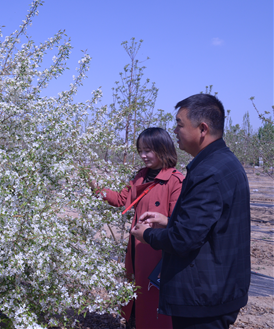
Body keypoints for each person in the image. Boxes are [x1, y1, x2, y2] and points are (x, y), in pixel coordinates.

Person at [131, 94, 251, 329]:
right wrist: (169, 221)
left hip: (203, 298)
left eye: (179, 124)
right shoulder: (223, 163)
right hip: (217, 290)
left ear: (202, 129)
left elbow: (183, 240)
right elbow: (210, 225)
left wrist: (146, 235)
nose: (174, 131)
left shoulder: (209, 173)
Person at [91, 127, 183, 329]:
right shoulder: (141, 176)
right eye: (141, 150)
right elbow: (121, 199)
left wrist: (162, 221)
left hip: (158, 253)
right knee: (136, 297)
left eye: (148, 150)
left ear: (163, 149)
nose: (143, 155)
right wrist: (96, 187)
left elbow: (179, 222)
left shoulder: (175, 181)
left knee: (154, 304)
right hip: (136, 250)